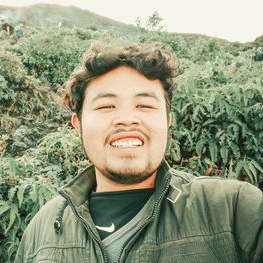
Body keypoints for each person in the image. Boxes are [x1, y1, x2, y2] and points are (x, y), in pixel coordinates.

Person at [15, 42, 263, 262]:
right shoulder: (43, 228)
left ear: (167, 121)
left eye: (144, 105)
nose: (126, 119)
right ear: (78, 125)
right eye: (106, 106)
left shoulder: (235, 208)